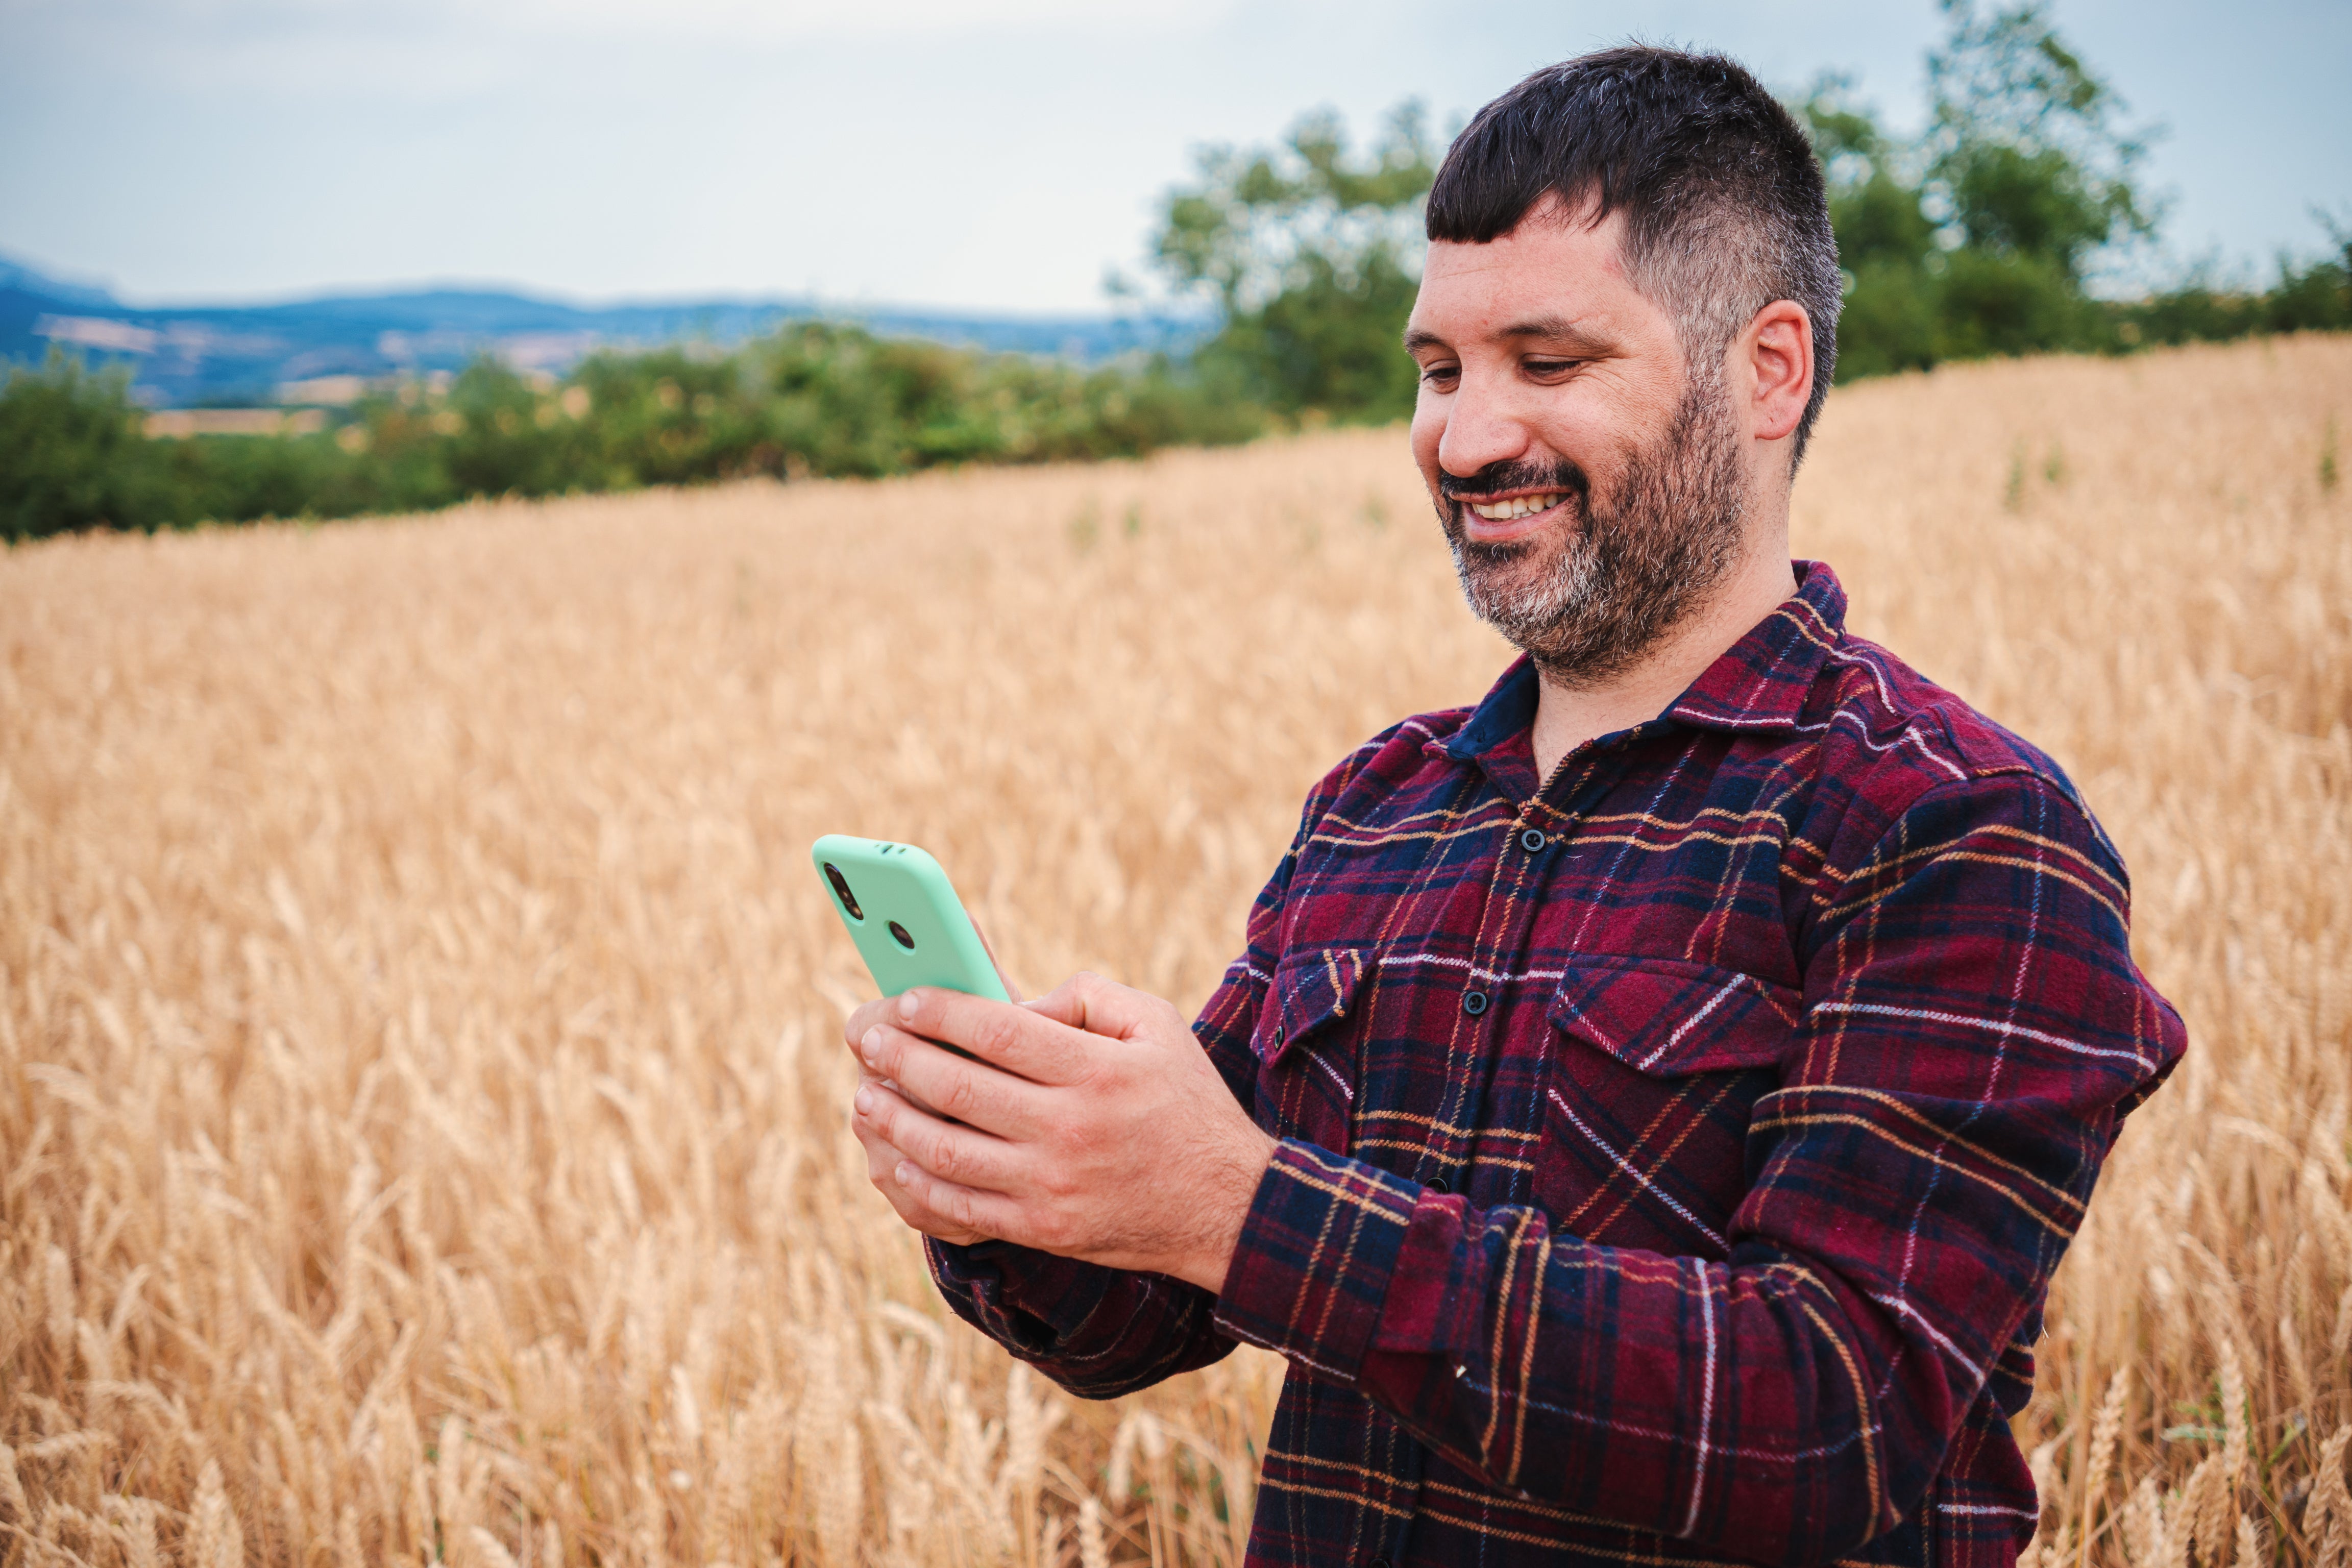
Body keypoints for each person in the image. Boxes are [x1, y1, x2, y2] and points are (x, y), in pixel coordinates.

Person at [841, 44, 2185, 1568]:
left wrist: (1233, 1205)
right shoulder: (1382, 807)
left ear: (1769, 370)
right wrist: (1012, 1179)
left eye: (1547, 364)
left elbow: (1834, 1420)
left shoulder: (1953, 828)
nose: (1466, 439)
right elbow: (1147, 1316)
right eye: (1440, 370)